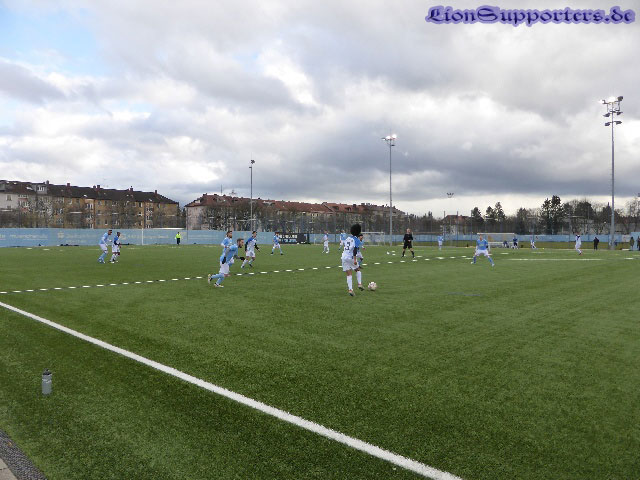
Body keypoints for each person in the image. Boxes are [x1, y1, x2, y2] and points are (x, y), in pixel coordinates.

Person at [342, 224, 363, 296]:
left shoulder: (348, 238)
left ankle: (350, 290)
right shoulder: (356, 240)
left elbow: (345, 246)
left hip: (343, 257)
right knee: (358, 270)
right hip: (350, 257)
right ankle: (359, 284)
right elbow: (355, 250)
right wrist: (354, 260)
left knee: (349, 274)